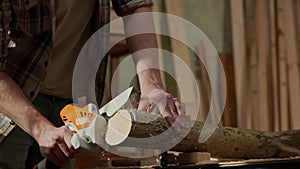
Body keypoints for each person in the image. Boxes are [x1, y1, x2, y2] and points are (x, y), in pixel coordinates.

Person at [0, 0, 185, 168]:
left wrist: (152, 86)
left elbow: (135, 5)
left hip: (73, 102)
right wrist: (40, 129)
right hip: (14, 102)